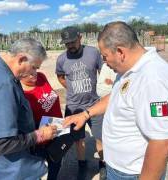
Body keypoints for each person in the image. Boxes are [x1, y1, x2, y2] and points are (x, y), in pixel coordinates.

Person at [63, 21, 168, 180]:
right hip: (118, 167)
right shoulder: (128, 69)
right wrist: (85, 114)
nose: (104, 62)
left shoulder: (153, 79)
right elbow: (115, 96)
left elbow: (162, 142)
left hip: (133, 173)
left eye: (105, 56)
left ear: (120, 52)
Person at [0, 38, 57, 180]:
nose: (34, 72)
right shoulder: (3, 85)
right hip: (8, 172)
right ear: (21, 59)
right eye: (34, 67)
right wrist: (39, 135)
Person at [55, 26, 106, 180]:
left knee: (100, 137)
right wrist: (70, 88)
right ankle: (82, 165)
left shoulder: (93, 53)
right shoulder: (62, 59)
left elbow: (102, 72)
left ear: (80, 37)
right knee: (79, 139)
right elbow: (60, 76)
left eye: (72, 41)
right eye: (66, 43)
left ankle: (103, 165)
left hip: (94, 104)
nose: (69, 45)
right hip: (73, 107)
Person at [21, 71, 63, 180]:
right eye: (29, 73)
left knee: (56, 163)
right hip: (39, 138)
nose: (34, 74)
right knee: (36, 171)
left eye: (34, 69)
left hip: (57, 130)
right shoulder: (19, 91)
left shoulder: (41, 77)